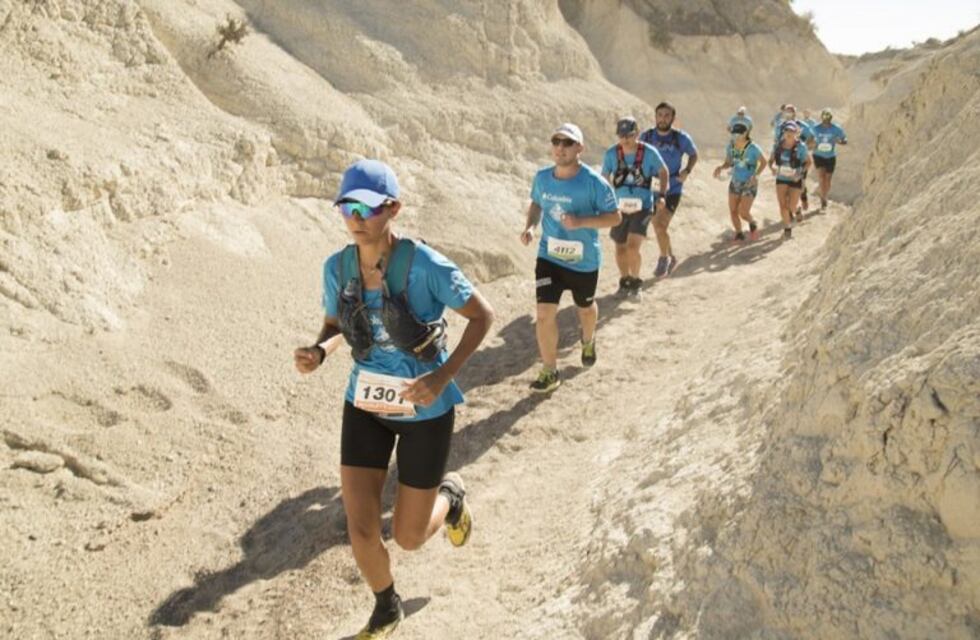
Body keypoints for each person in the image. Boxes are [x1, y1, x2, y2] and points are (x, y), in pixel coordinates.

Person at [294, 159, 494, 639]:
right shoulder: (337, 266)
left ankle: (451, 495)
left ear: (393, 209)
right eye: (347, 206)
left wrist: (443, 376)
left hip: (425, 410)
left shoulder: (425, 264)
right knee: (360, 529)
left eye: (367, 206)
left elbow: (483, 316)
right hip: (364, 405)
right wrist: (320, 350)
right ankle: (386, 607)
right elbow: (338, 322)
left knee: (407, 537)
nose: (356, 217)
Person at [520, 123, 620, 393]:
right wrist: (530, 226)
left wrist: (581, 222)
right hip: (549, 257)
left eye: (567, 143)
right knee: (543, 314)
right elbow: (537, 203)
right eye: (556, 141)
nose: (560, 148)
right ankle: (550, 371)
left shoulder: (594, 182)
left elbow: (615, 217)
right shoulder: (542, 177)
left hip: (584, 261)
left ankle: (588, 339)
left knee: (585, 308)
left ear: (580, 148)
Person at [601, 116, 668, 298]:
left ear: (637, 133)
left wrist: (661, 195)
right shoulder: (611, 154)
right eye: (621, 136)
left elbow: (663, 171)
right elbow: (604, 178)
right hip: (619, 208)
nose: (625, 139)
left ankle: (636, 282)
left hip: (643, 207)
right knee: (620, 247)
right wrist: (605, 201)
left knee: (632, 247)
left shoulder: (649, 152)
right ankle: (625, 281)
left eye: (629, 135)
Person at [639, 102, 698, 277]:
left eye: (666, 115)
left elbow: (694, 154)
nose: (663, 119)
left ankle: (663, 259)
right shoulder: (646, 136)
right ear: (655, 116)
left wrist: (687, 171)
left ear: (673, 118)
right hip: (651, 188)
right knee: (659, 227)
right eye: (660, 115)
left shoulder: (681, 138)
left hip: (672, 188)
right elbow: (636, 154)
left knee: (659, 225)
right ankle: (671, 256)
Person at [713, 120, 766, 242]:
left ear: (745, 134)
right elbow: (729, 162)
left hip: (749, 182)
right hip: (735, 181)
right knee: (733, 210)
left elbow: (763, 162)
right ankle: (739, 233)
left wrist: (756, 175)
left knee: (743, 212)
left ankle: (752, 223)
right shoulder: (731, 146)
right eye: (733, 134)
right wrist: (721, 167)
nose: (735, 136)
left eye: (738, 134)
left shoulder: (753, 148)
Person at [768, 122, 811, 239]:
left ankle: (796, 209)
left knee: (791, 206)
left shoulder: (801, 147)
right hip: (781, 178)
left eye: (792, 131)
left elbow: (808, 162)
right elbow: (770, 161)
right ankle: (787, 226)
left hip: (794, 178)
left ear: (796, 133)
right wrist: (772, 168)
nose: (789, 133)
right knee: (782, 206)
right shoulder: (778, 146)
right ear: (783, 132)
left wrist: (800, 173)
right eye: (787, 131)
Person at [811, 108, 848, 210]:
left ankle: (824, 195)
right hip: (818, 155)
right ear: (821, 118)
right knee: (821, 177)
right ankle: (823, 199)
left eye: (828, 118)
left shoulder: (836, 129)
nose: (826, 121)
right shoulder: (815, 128)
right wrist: (811, 144)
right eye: (824, 118)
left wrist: (839, 141)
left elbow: (845, 139)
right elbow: (809, 140)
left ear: (831, 118)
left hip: (830, 156)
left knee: (828, 179)